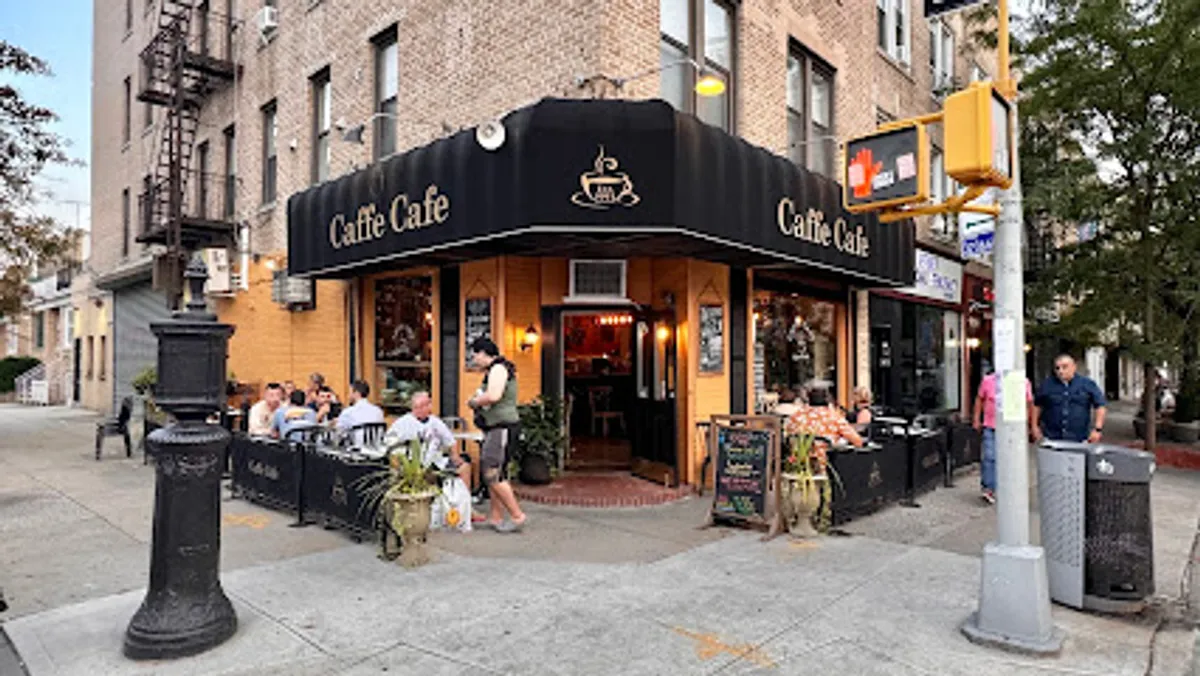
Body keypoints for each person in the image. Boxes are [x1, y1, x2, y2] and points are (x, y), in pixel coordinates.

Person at [467, 337, 527, 533]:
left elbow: (494, 396)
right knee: (495, 473)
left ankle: (517, 516)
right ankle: (496, 516)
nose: (473, 358)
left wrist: (475, 402)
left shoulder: (498, 369)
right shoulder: (496, 369)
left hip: (503, 427)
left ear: (484, 353)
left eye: (475, 354)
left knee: (492, 471)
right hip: (497, 427)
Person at [388, 391, 472, 492]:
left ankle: (464, 503)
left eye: (427, 405)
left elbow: (450, 441)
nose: (428, 407)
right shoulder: (402, 423)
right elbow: (390, 444)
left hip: (435, 461)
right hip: (413, 465)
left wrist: (455, 455)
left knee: (465, 467)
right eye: (420, 406)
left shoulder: (435, 422)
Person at [973, 370, 1036, 505]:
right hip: (991, 425)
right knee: (990, 456)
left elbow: (1029, 403)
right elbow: (979, 399)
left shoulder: (1022, 381)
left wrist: (1030, 425)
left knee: (1011, 458)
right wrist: (976, 419)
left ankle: (1010, 487)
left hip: (1013, 428)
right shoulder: (988, 380)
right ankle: (988, 488)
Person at [784, 385, 864, 470]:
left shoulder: (796, 416)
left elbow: (788, 437)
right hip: (825, 466)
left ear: (808, 399)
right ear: (828, 400)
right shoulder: (833, 417)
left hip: (798, 465)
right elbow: (857, 441)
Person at [1034, 354, 1107, 443]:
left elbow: (1100, 406)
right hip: (1051, 438)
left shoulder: (1087, 384)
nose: (1060, 371)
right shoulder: (1047, 385)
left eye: (1064, 367)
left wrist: (1097, 429)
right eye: (1057, 368)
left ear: (1074, 367)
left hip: (1079, 438)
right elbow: (1036, 405)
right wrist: (1034, 426)